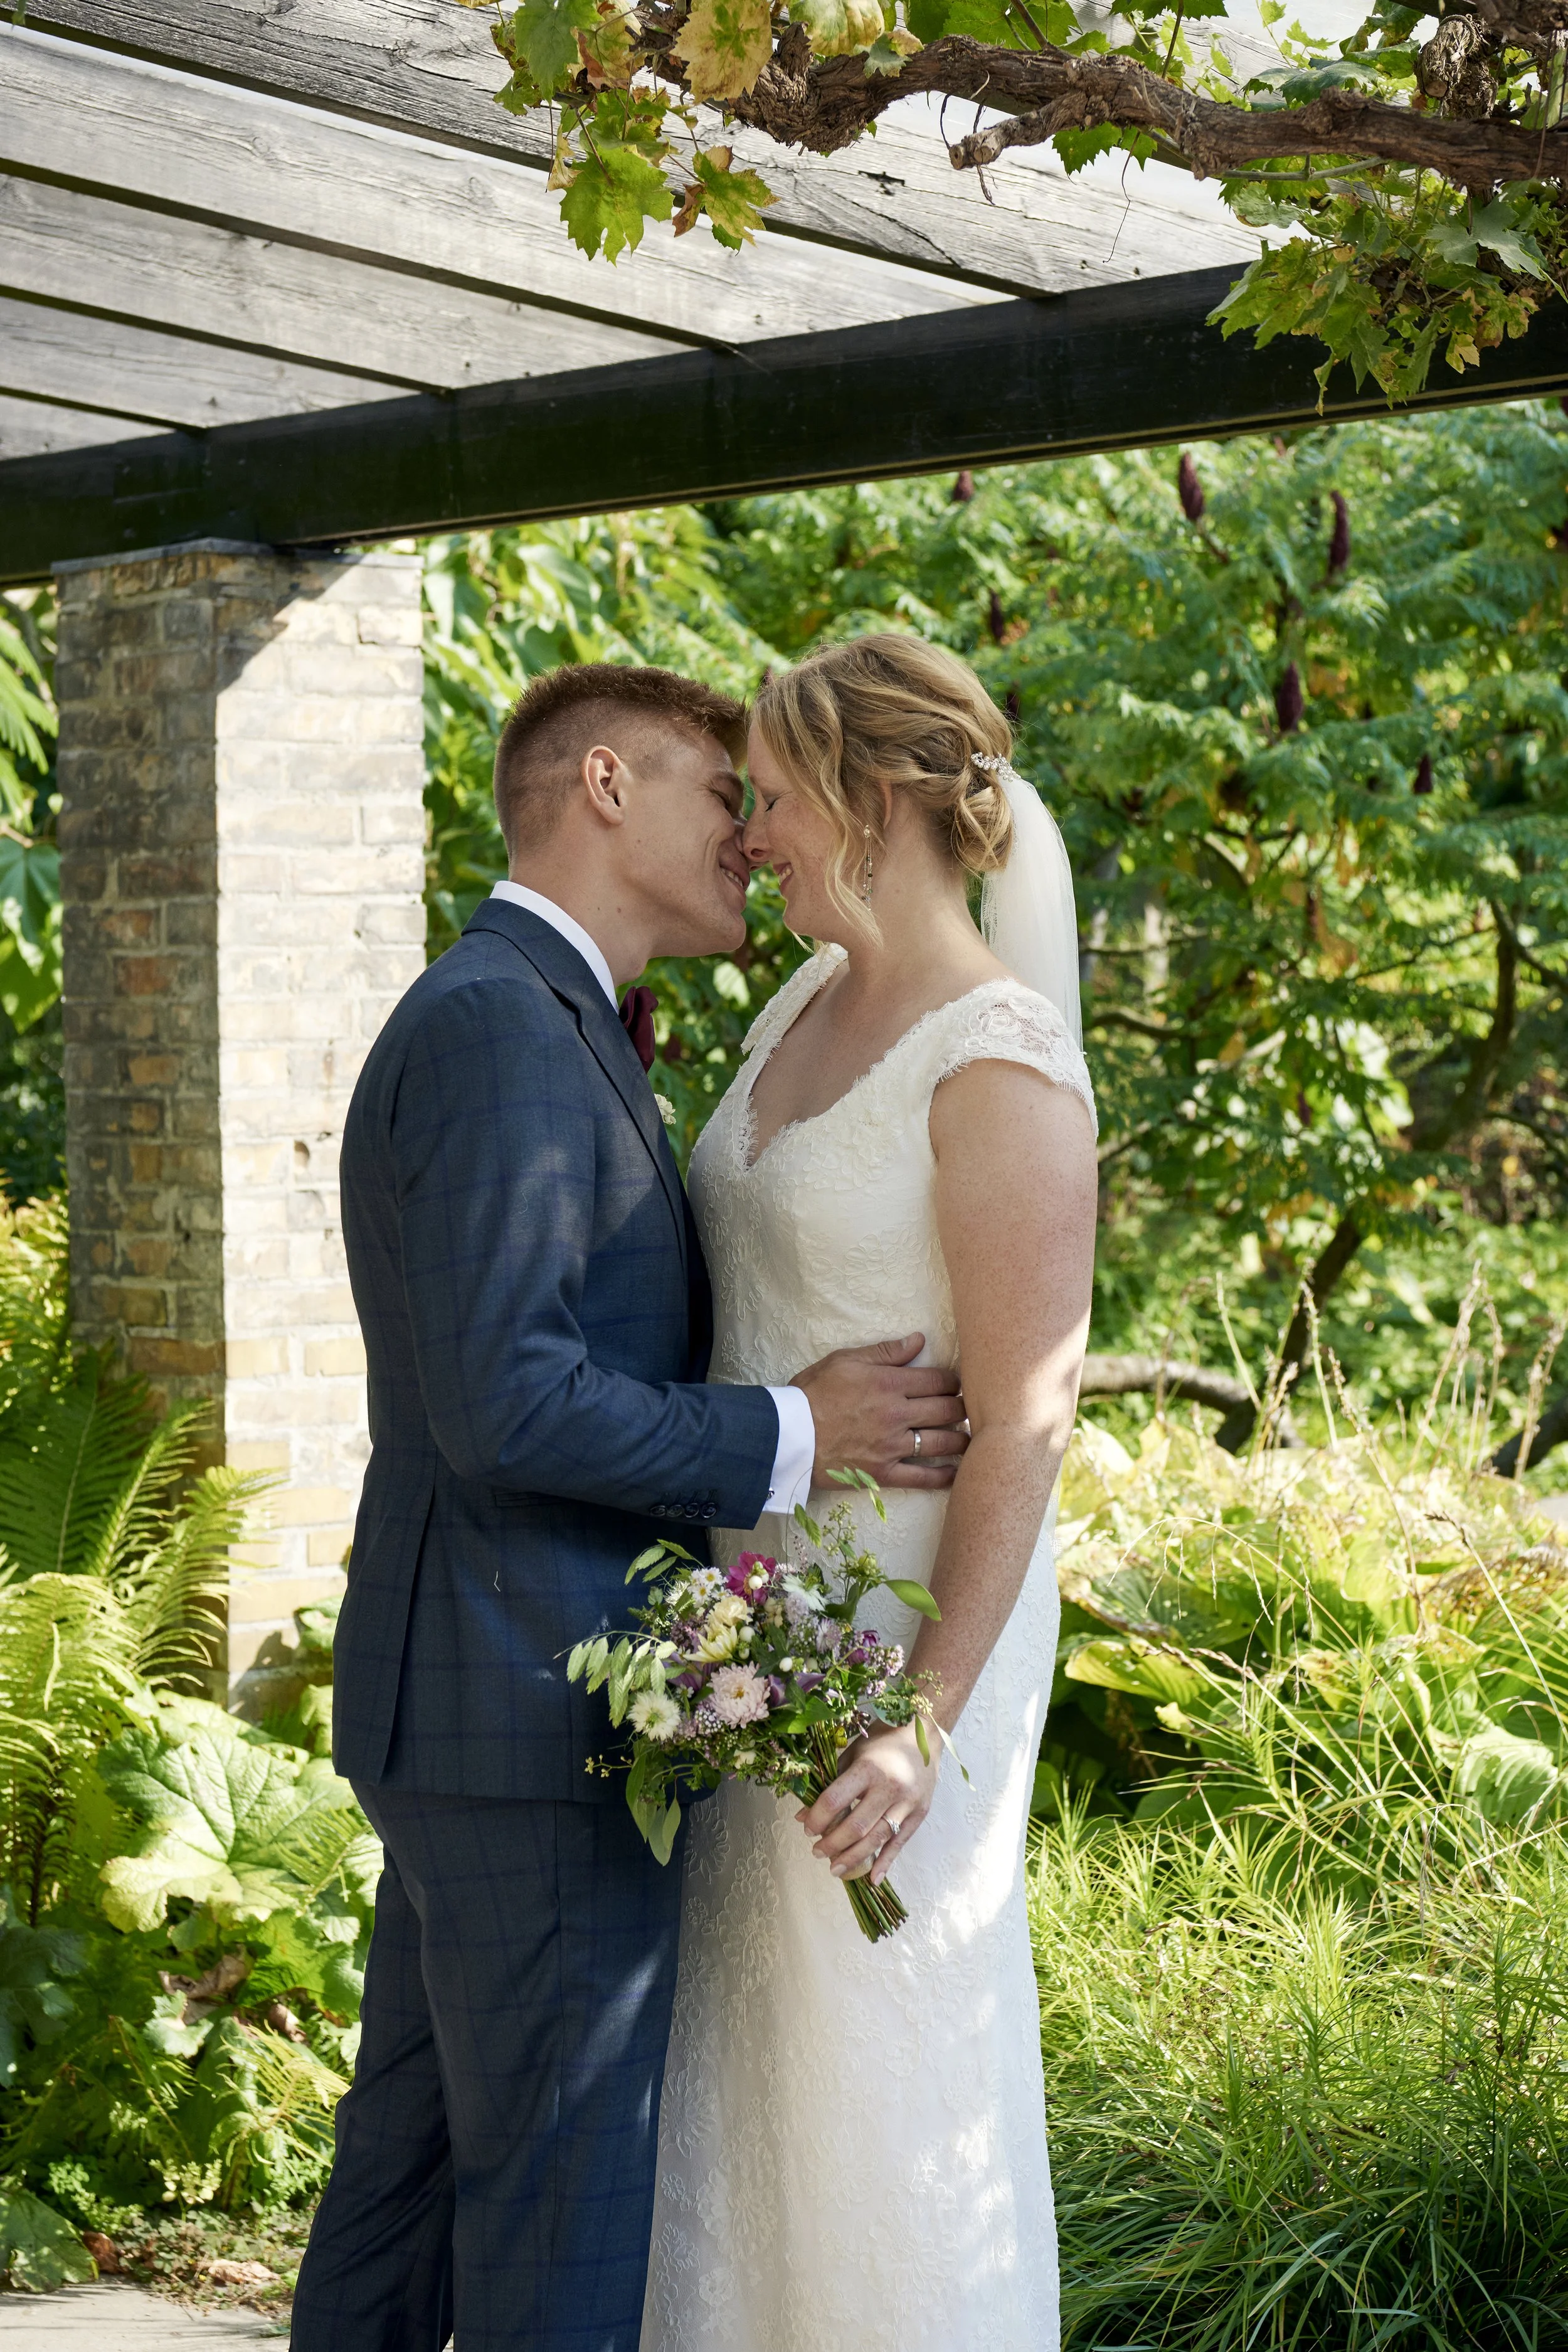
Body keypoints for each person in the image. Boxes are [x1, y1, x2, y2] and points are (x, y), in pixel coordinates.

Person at [290, 662, 972, 2352]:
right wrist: (790, 1430)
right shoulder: (503, 1027)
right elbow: (504, 1395)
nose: (747, 836)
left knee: (419, 2170)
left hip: (486, 1690)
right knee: (554, 2205)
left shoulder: (541, 1013)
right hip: (522, 1700)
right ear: (602, 783)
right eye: (714, 792)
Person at [640, 635, 1098, 2352]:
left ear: (867, 796)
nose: (745, 831)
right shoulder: (797, 1004)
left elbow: (1025, 1421)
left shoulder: (996, 1062)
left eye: (764, 794)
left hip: (910, 1624)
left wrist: (917, 1717)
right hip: (749, 1608)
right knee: (751, 2055)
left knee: (886, 2043)